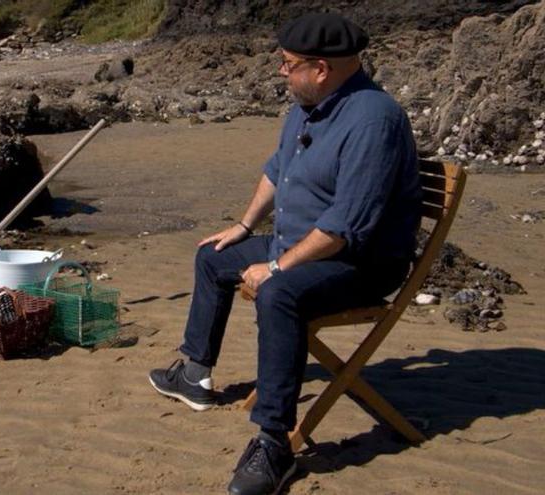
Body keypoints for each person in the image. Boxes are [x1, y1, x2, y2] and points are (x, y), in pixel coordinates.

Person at [147, 13, 422, 495]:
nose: (281, 71)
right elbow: (277, 172)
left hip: (358, 264)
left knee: (278, 295)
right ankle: (195, 374)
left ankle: (275, 442)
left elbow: (344, 227)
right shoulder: (308, 104)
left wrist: (275, 267)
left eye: (288, 64)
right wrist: (243, 226)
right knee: (213, 256)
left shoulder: (374, 120)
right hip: (300, 246)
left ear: (320, 68)